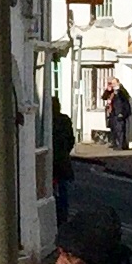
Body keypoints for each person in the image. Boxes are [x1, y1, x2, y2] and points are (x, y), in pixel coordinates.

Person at [50, 98, 76, 232]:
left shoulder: (46, 120)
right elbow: (71, 140)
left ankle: (56, 215)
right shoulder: (65, 120)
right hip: (63, 161)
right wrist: (65, 152)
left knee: (50, 189)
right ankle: (63, 216)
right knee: (63, 190)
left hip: (51, 160)